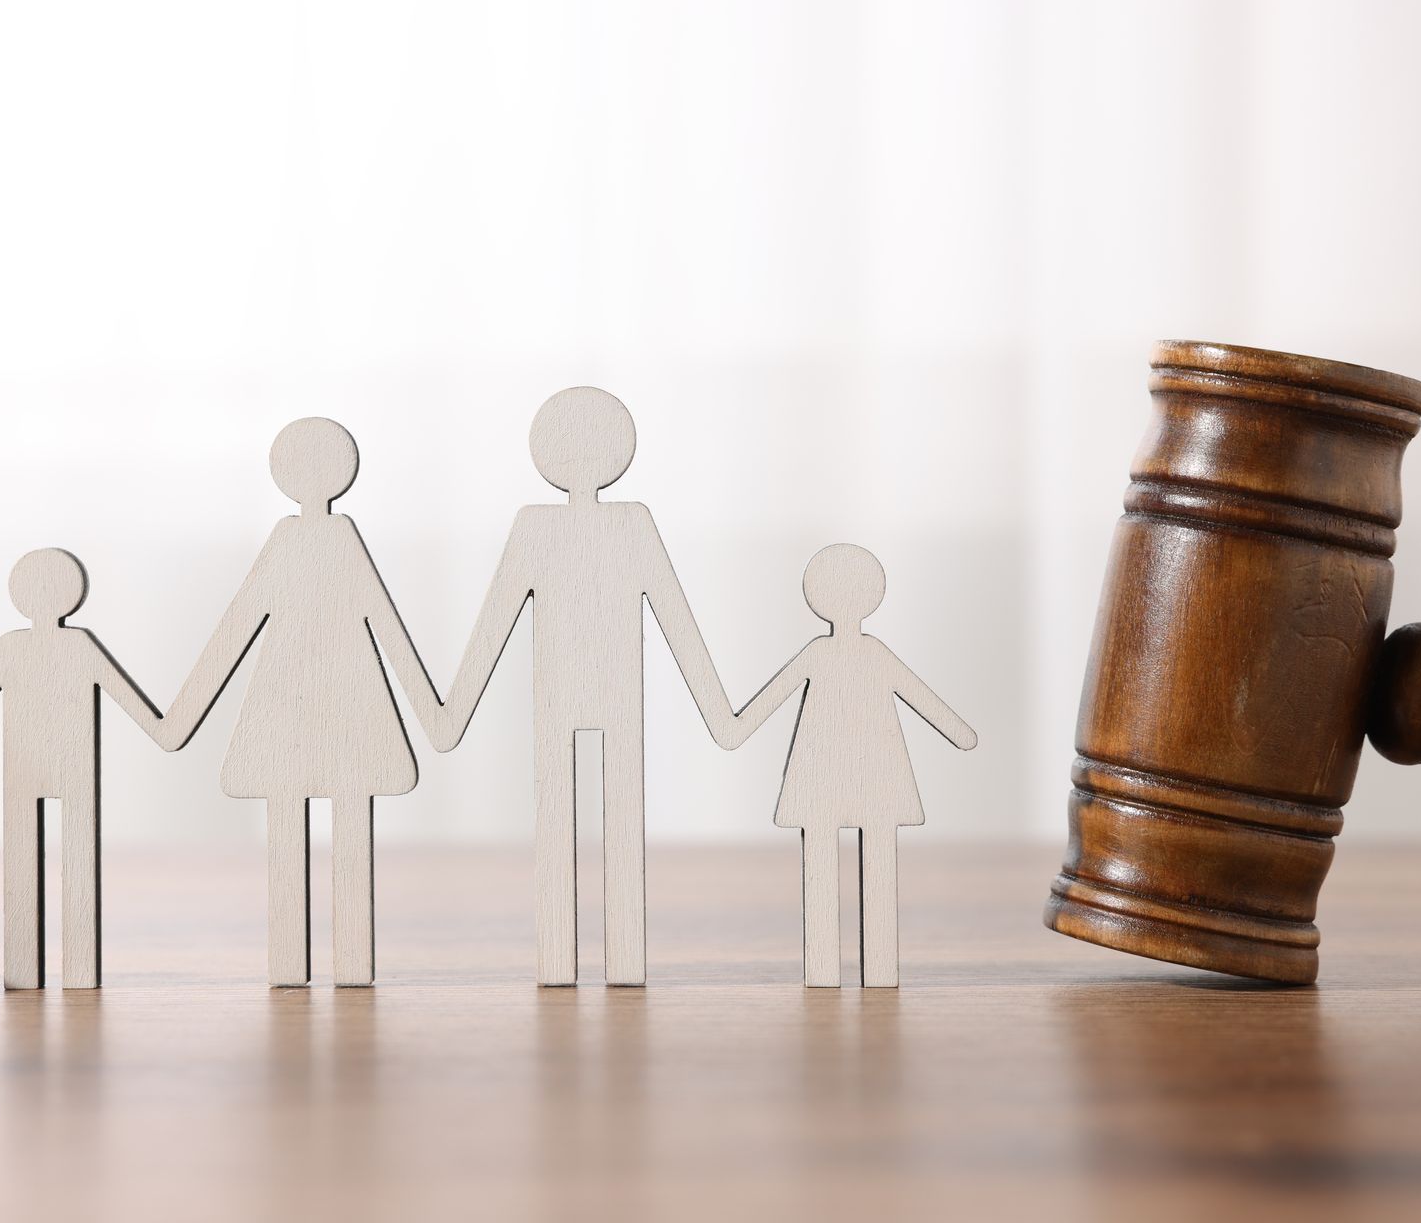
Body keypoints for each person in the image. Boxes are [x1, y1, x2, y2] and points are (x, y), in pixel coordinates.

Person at [435, 387, 733, 986]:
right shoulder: (609, 524)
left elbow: (670, 613)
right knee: (594, 822)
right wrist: (718, 712)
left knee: (575, 823)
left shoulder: (567, 525)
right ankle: (598, 958)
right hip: (587, 690)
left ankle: (583, 959)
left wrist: (453, 713)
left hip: (586, 692)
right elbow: (673, 619)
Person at [157, 418, 442, 987]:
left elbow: (238, 629)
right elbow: (380, 624)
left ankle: (308, 963)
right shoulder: (322, 541)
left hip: (300, 708)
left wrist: (180, 717)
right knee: (332, 823)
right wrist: (435, 714)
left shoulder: (307, 542)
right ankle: (337, 962)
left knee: (298, 824)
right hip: (332, 705)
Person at [0, 548, 168, 990]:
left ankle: (35, 970)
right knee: (70, 867)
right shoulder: (69, 646)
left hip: (42, 773)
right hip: (58, 771)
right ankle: (71, 969)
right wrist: (168, 730)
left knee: (39, 865)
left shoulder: (23, 647)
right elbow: (143, 714)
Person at [718, 544, 976, 988]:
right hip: (872, 777)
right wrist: (960, 733)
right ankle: (868, 969)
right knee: (871, 864)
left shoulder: (824, 654)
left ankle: (829, 969)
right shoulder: (870, 653)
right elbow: (926, 703)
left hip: (826, 777)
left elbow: (758, 710)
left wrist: (731, 728)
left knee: (829, 863)